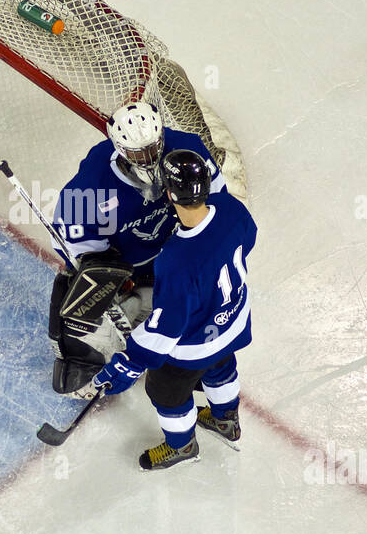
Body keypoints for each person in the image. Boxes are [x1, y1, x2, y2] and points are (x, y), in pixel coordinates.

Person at [73, 148, 257, 470]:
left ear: (169, 194)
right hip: (234, 321)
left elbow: (166, 328)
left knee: (164, 392)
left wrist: (129, 363)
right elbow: (249, 239)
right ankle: (226, 419)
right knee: (221, 366)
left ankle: (182, 446)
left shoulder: (177, 259)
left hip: (196, 345)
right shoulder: (231, 209)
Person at [48, 101, 225, 394]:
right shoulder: (94, 180)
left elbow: (217, 201)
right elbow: (66, 234)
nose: (150, 158)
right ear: (119, 148)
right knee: (77, 287)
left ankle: (190, 362)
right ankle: (79, 358)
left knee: (198, 301)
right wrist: (104, 269)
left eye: (154, 147)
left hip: (171, 252)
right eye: (138, 153)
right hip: (124, 260)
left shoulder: (186, 151)